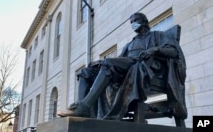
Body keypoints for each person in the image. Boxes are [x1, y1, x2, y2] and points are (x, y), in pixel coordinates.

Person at [58, 12, 187, 120]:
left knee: (108, 63)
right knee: (86, 71)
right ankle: (83, 109)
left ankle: (84, 106)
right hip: (127, 67)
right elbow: (119, 61)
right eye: (131, 22)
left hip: (145, 67)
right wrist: (101, 64)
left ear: (144, 21)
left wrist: (155, 50)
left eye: (135, 20)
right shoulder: (130, 44)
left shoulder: (158, 35)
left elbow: (173, 51)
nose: (133, 24)